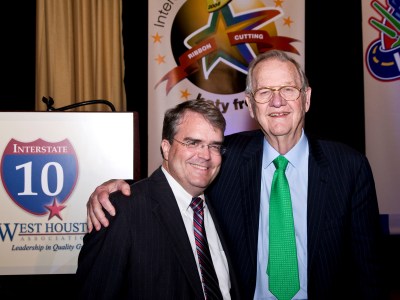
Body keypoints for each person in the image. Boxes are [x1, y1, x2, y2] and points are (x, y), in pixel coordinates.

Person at [86, 50, 388, 299]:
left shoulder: (349, 168)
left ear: (306, 98)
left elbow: (369, 273)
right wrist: (119, 190)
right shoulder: (223, 158)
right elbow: (179, 170)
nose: (277, 101)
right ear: (250, 105)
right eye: (265, 92)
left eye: (287, 89)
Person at [76, 99, 241, 299]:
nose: (205, 155)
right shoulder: (120, 212)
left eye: (214, 146)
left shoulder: (225, 203)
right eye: (193, 143)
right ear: (166, 147)